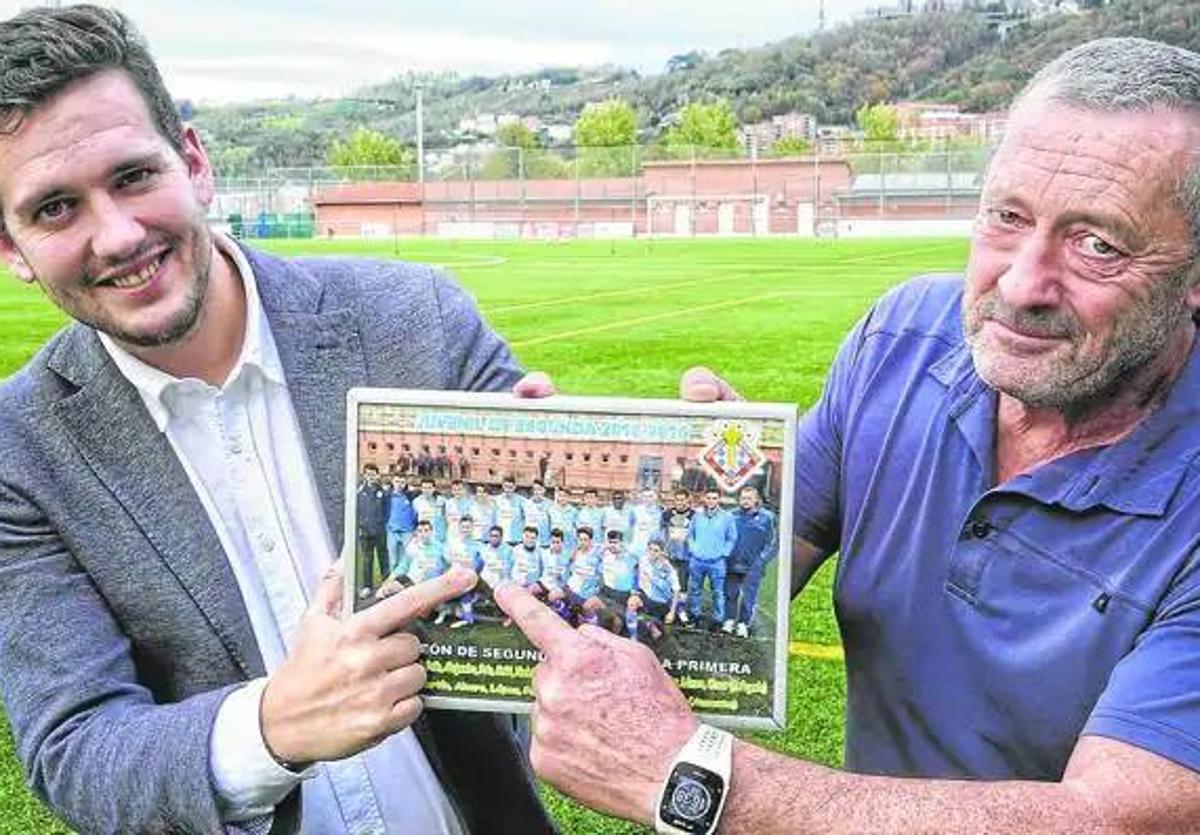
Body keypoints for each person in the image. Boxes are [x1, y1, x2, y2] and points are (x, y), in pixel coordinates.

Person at [497, 36, 1200, 834]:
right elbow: (741, 571)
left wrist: (691, 776)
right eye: (1007, 217)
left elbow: (1113, 819)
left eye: (1096, 243)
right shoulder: (899, 341)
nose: (1021, 282)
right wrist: (612, 480)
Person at [0, 6, 554, 833]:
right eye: (54, 210)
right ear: (10, 249)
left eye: (132, 177)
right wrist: (272, 726)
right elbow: (76, 747)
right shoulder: (19, 449)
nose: (116, 235)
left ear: (194, 161)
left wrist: (681, 482)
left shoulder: (420, 321)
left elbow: (574, 599)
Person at [724, 485, 776, 637]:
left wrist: (762, 560)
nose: (745, 501)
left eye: (749, 498)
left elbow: (772, 542)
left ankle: (743, 624)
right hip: (732, 563)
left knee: (749, 596)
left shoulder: (767, 517)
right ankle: (729, 620)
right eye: (743, 498)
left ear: (756, 500)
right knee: (730, 593)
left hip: (754, 566)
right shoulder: (731, 515)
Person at [685, 490, 737, 630]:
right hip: (697, 560)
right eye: (709, 498)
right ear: (705, 499)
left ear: (719, 499)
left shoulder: (727, 517)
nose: (711, 500)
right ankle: (695, 616)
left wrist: (723, 553)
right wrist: (693, 549)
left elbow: (732, 538)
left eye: (714, 498)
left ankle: (717, 620)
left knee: (718, 592)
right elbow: (690, 535)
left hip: (717, 562)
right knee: (695, 589)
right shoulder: (697, 515)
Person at [355, 463, 389, 585]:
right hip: (365, 531)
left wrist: (382, 524)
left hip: (380, 531)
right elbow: (357, 511)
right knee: (367, 559)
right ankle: (367, 586)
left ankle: (386, 583)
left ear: (377, 476)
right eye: (368, 474)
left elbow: (387, 511)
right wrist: (360, 526)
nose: (371, 476)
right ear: (364, 475)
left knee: (383, 558)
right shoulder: (359, 492)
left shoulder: (383, 492)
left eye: (373, 474)